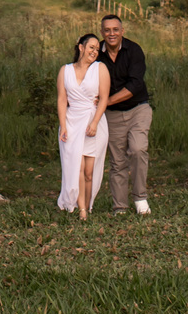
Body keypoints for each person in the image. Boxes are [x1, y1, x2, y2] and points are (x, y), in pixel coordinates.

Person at [98, 13, 153, 215]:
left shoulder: (134, 50)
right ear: (102, 32)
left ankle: (140, 198)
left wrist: (106, 101)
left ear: (122, 31)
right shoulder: (96, 54)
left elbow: (135, 85)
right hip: (111, 115)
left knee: (138, 149)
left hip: (138, 108)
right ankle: (120, 206)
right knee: (117, 161)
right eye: (107, 30)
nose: (111, 34)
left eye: (115, 29)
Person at [56, 32, 110, 219]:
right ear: (81, 47)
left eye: (97, 49)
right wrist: (63, 126)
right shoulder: (65, 71)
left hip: (93, 121)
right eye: (91, 47)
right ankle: (82, 210)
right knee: (76, 167)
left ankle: (88, 205)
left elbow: (104, 99)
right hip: (72, 122)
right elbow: (62, 100)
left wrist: (94, 122)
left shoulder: (100, 68)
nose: (94, 51)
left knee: (89, 172)